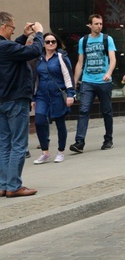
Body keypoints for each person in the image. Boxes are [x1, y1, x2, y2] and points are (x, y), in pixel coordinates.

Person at [0, 12, 43, 197]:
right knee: (18, 143)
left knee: (4, 144)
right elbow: (33, 51)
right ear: (4, 26)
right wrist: (39, 34)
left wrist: (25, 36)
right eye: (12, 28)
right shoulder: (5, 46)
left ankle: (3, 184)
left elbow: (12, 49)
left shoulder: (5, 47)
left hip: (2, 101)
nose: (12, 32)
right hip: (15, 99)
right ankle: (14, 186)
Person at [70, 14, 117, 153]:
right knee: (83, 111)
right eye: (96, 24)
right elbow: (80, 62)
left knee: (107, 111)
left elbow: (113, 59)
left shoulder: (107, 39)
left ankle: (108, 139)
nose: (99, 26)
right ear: (89, 25)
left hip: (104, 82)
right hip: (87, 81)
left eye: (101, 24)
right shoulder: (83, 41)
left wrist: (108, 73)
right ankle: (79, 142)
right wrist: (73, 83)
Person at [32, 33, 75, 164]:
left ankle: (60, 151)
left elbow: (68, 76)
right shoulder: (39, 59)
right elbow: (35, 79)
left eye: (53, 41)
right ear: (43, 44)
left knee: (60, 123)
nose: (50, 44)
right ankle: (45, 152)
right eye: (47, 42)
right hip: (42, 95)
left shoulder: (61, 57)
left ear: (57, 43)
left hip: (57, 94)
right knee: (39, 121)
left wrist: (70, 94)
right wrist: (33, 97)